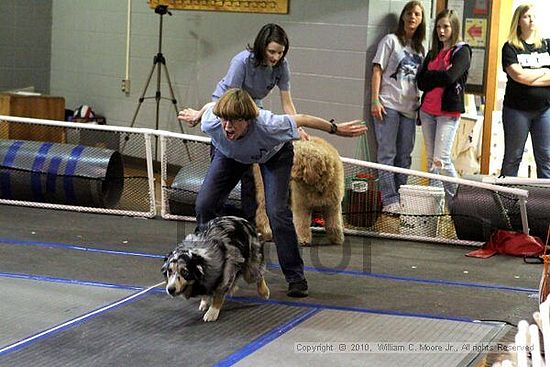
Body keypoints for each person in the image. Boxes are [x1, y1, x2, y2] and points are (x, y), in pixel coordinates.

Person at [178, 88, 367, 298]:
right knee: (204, 205)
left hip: (274, 156)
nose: (228, 127)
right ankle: (207, 267)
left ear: (248, 120)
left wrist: (336, 128)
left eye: (234, 121)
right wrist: (196, 115)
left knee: (277, 213)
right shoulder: (212, 122)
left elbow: (303, 118)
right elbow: (209, 108)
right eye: (225, 120)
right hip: (230, 155)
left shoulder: (268, 125)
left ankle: (296, 277)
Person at [184, 23, 305, 224]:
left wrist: (297, 126)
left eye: (280, 53)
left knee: (252, 173)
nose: (275, 57)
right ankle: (212, 226)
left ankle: (250, 225)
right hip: (227, 110)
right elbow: (233, 101)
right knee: (222, 176)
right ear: (261, 47)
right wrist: (199, 114)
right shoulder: (241, 62)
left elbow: (287, 102)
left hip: (252, 113)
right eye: (271, 51)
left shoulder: (282, 67)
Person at [371, 0, 426, 213]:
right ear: (403, 16)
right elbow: (377, 69)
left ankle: (401, 195)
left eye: (417, 14)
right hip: (388, 105)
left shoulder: (420, 49)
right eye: (410, 13)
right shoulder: (390, 41)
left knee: (405, 155)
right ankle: (389, 199)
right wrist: (375, 100)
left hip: (410, 108)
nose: (413, 17)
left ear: (421, 20)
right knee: (387, 154)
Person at [417, 9, 471, 201]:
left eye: (446, 26)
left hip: (447, 112)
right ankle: (436, 208)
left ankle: (459, 203)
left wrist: (432, 76)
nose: (441, 31)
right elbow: (420, 82)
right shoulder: (433, 52)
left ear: (454, 27)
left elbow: (450, 77)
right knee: (432, 162)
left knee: (442, 160)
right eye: (439, 27)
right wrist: (436, 76)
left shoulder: (462, 51)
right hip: (427, 111)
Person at [500, 4, 550, 178]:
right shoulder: (510, 47)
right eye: (527, 16)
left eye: (533, 16)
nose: (531, 20)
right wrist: (545, 72)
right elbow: (519, 76)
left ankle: (546, 203)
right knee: (513, 157)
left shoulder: (547, 45)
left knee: (546, 158)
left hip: (544, 110)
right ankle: (506, 202)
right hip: (516, 111)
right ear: (518, 21)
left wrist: (529, 77)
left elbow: (525, 77)